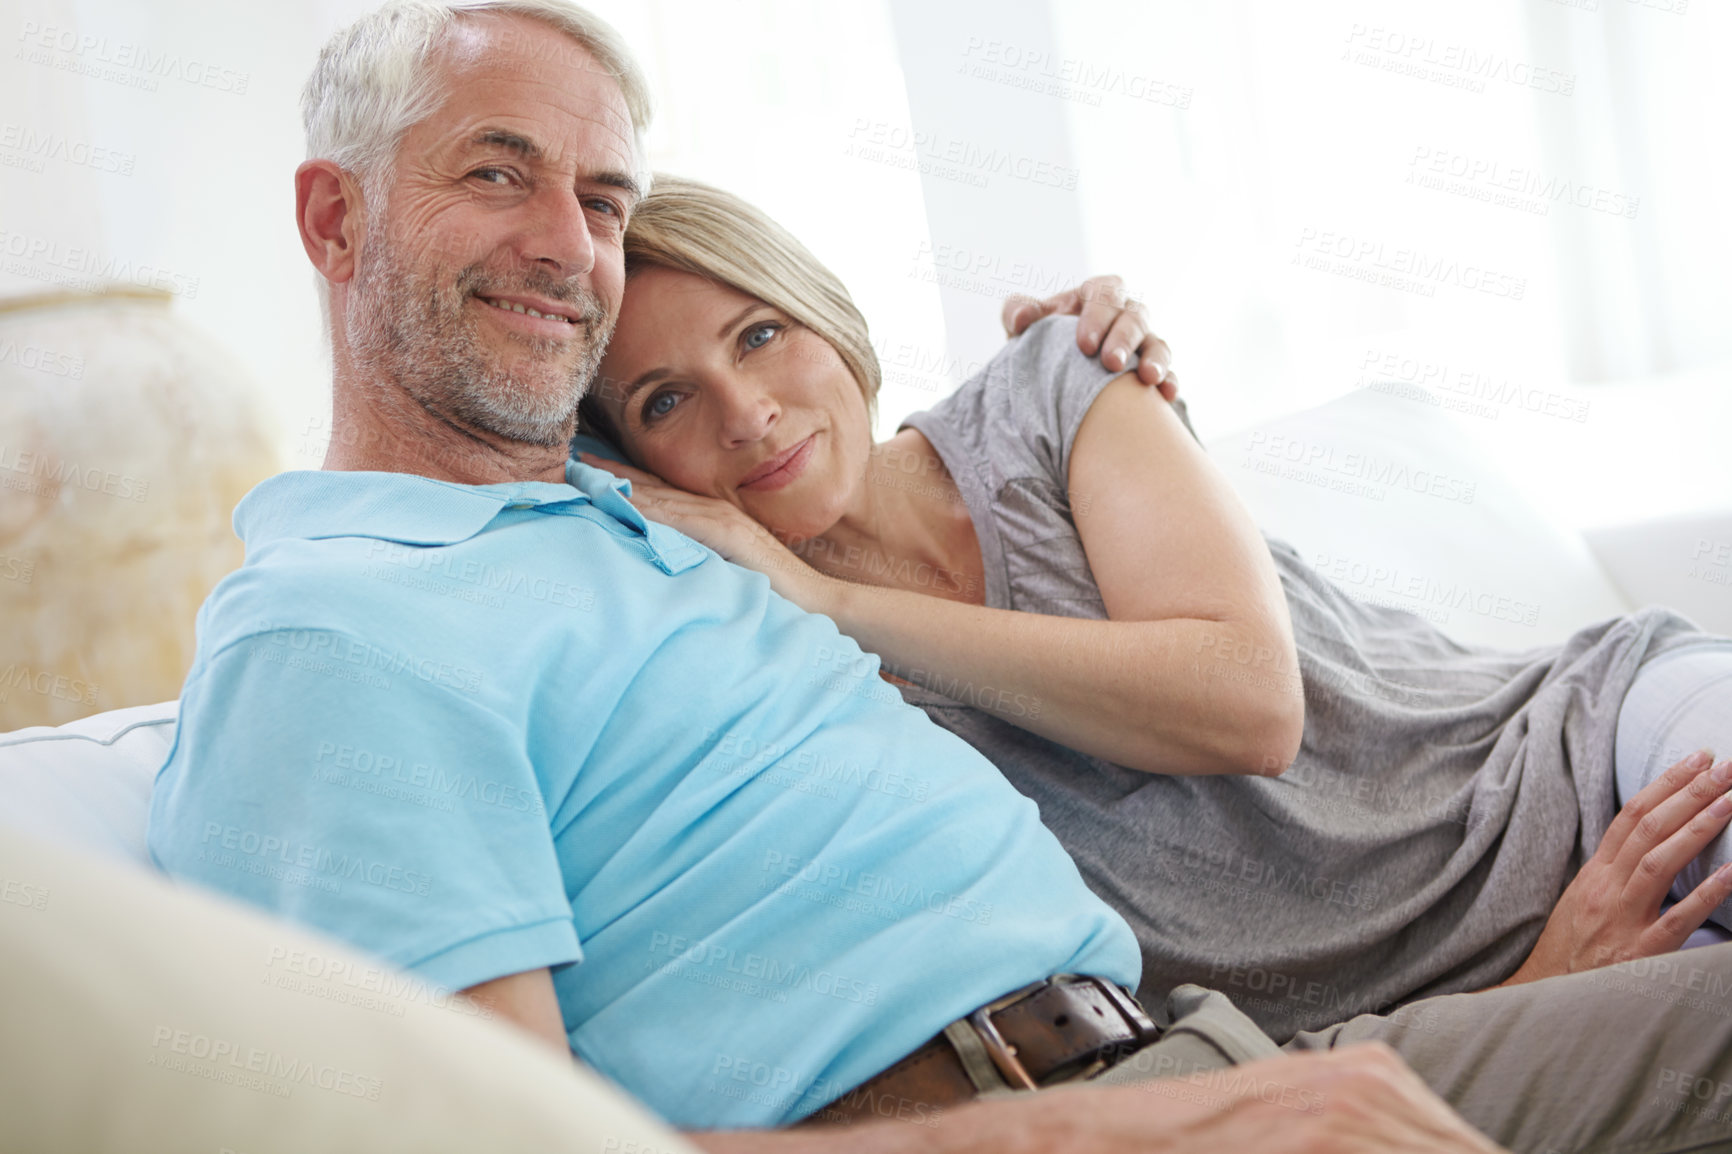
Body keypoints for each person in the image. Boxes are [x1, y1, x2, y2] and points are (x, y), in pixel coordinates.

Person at [143, 3, 1732, 1152]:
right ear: (333, 217)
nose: (568, 243)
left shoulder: (635, 528)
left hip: (1219, 1050)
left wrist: (1089, 346)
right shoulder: (339, 629)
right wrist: (1125, 1134)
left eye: (603, 199)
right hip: (1091, 1117)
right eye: (497, 173)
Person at [576, 174, 1732, 1040]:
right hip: (1441, 1012)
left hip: (1587, 752)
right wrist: (1530, 996)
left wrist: (834, 596)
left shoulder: (1050, 382)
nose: (746, 411)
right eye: (667, 397)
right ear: (635, 462)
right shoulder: (785, 697)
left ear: (822, 313)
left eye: (760, 334)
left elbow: (1244, 703)